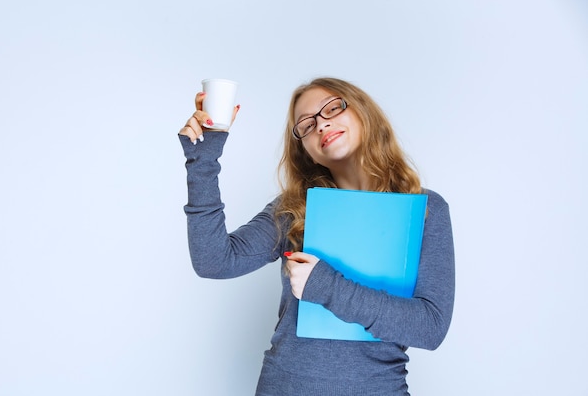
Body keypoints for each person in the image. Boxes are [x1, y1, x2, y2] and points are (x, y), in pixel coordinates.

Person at [178, 77, 455, 396]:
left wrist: (326, 286)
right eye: (306, 125)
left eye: (332, 108)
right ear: (306, 151)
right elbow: (214, 261)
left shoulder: (424, 209)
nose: (321, 124)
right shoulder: (294, 208)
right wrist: (203, 160)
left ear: (364, 113)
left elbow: (430, 327)